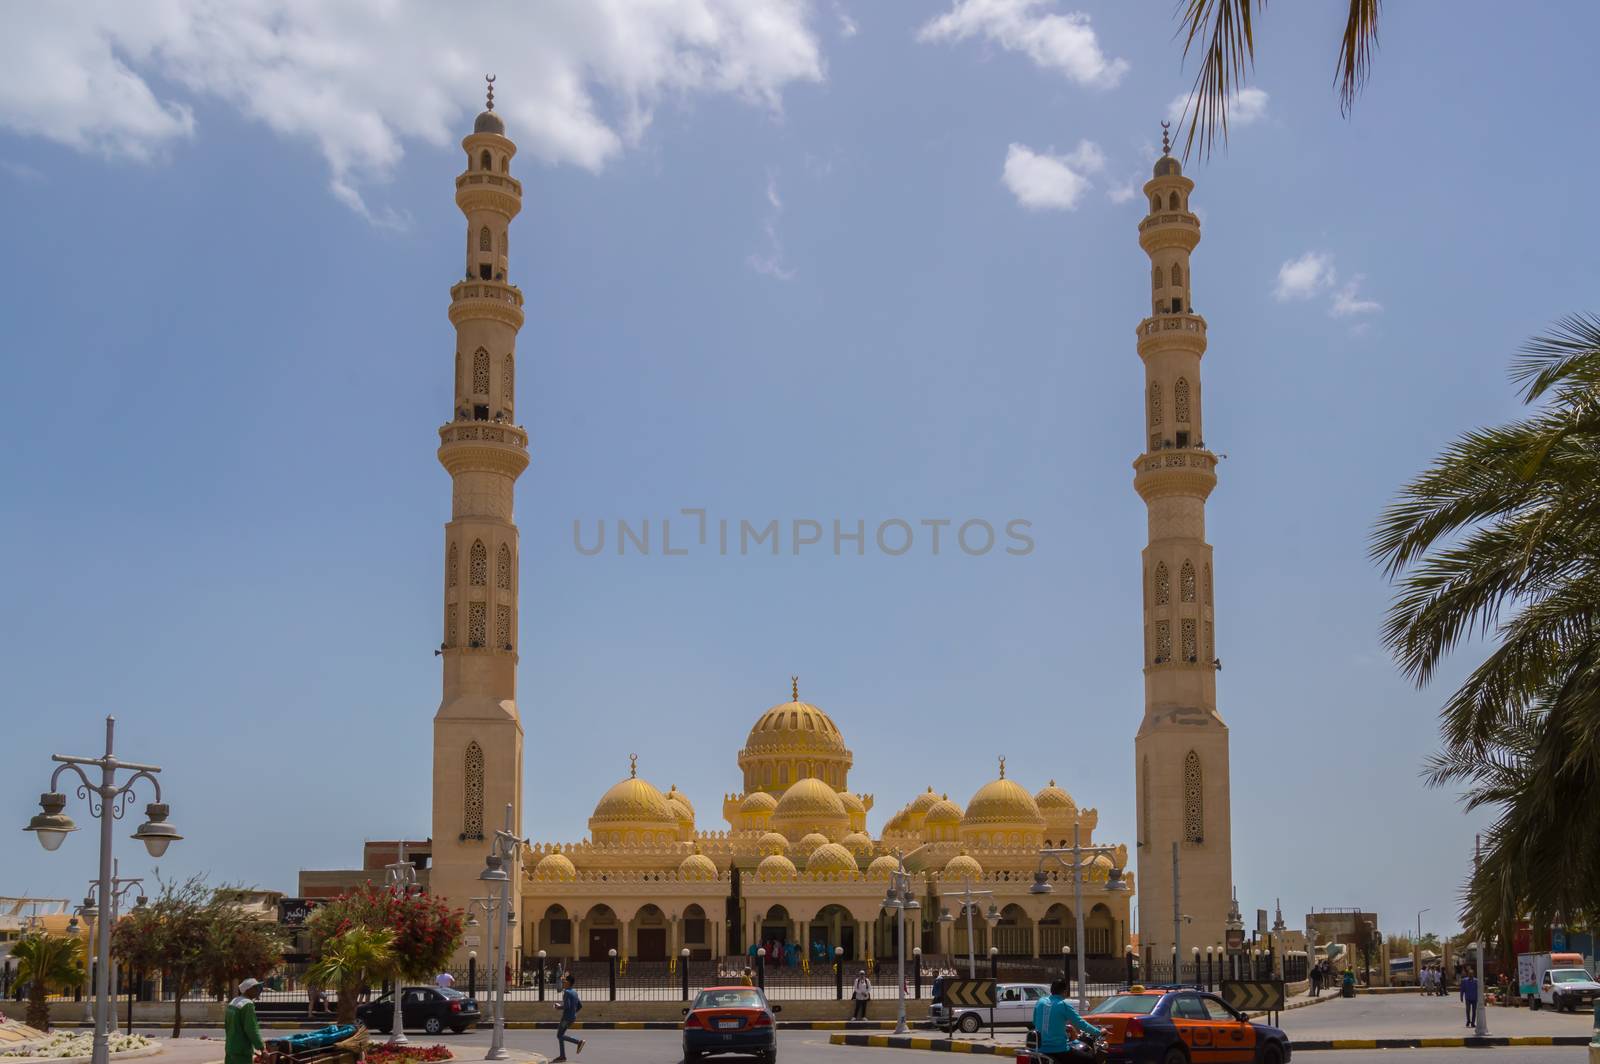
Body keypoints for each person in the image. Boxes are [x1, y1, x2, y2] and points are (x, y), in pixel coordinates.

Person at [1031, 979, 1102, 1063]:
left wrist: (1059, 1026)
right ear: (1065, 991)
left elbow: (1035, 1022)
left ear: (1051, 990)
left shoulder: (1040, 1002)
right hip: (1058, 1050)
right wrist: (1099, 1032)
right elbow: (1081, 1023)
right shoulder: (1064, 1005)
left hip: (1040, 1050)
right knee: (1091, 1060)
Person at [225, 979, 265, 1064]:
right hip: (241, 1052)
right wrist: (262, 1048)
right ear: (248, 989)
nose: (258, 990)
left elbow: (227, 1026)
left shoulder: (233, 1002)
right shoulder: (247, 1005)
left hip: (230, 1049)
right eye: (256, 988)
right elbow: (252, 1029)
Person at [554, 973, 585, 1061]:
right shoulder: (574, 992)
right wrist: (573, 1013)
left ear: (569, 982)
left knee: (559, 1035)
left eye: (565, 981)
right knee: (561, 1035)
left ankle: (578, 1042)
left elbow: (567, 1006)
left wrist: (558, 1007)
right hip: (572, 1017)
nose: (564, 982)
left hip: (566, 1018)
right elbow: (580, 1005)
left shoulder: (567, 992)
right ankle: (562, 1056)